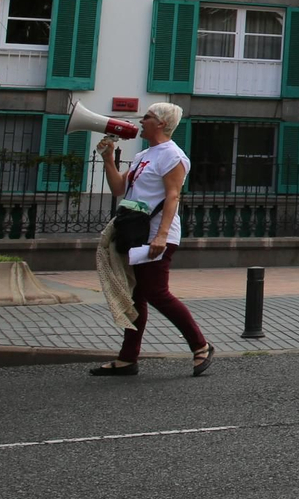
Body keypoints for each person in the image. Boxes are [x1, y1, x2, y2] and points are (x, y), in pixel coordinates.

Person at [89, 102, 212, 378]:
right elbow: (120, 188)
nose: (141, 120)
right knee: (137, 296)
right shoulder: (144, 154)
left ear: (161, 123)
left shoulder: (173, 156)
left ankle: (201, 345)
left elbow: (172, 196)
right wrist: (109, 160)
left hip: (157, 235)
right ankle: (127, 358)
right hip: (137, 233)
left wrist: (162, 235)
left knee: (155, 292)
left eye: (147, 117)